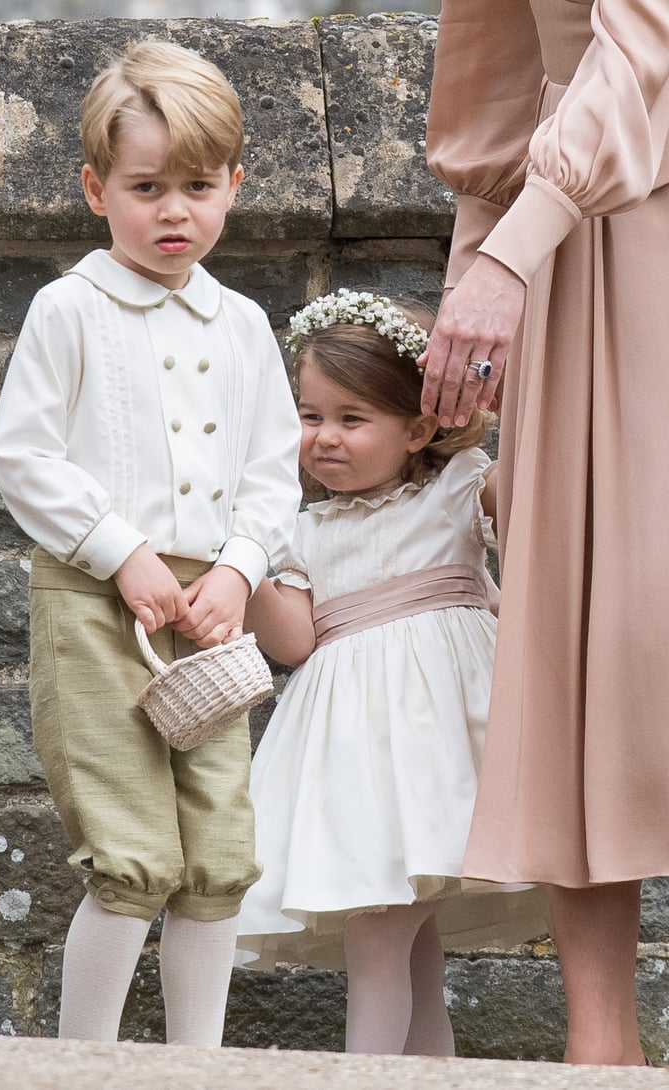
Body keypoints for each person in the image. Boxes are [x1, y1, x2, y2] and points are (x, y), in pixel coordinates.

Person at [0, 40, 302, 1045]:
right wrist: (122, 549)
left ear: (234, 186)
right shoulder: (69, 310)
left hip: (212, 612)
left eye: (199, 185)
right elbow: (26, 456)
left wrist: (240, 570)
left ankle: (194, 1064)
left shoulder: (246, 325)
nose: (175, 210)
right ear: (95, 188)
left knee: (216, 847)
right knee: (132, 849)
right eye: (146, 185)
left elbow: (272, 468)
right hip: (97, 603)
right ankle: (84, 1060)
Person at [419, 1, 669, 1067]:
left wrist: (510, 255)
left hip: (602, 239)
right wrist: (478, 278)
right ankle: (600, 1050)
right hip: (585, 261)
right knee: (582, 645)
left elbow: (649, 46)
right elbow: (500, 73)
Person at [235, 289, 548, 1056]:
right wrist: (240, 566)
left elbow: (542, 481)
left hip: (443, 749)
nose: (325, 438)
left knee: (384, 946)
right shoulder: (302, 528)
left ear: (417, 427)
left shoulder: (457, 489)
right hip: (358, 764)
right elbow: (295, 642)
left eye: (352, 419)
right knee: (401, 951)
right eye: (311, 417)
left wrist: (505, 389)